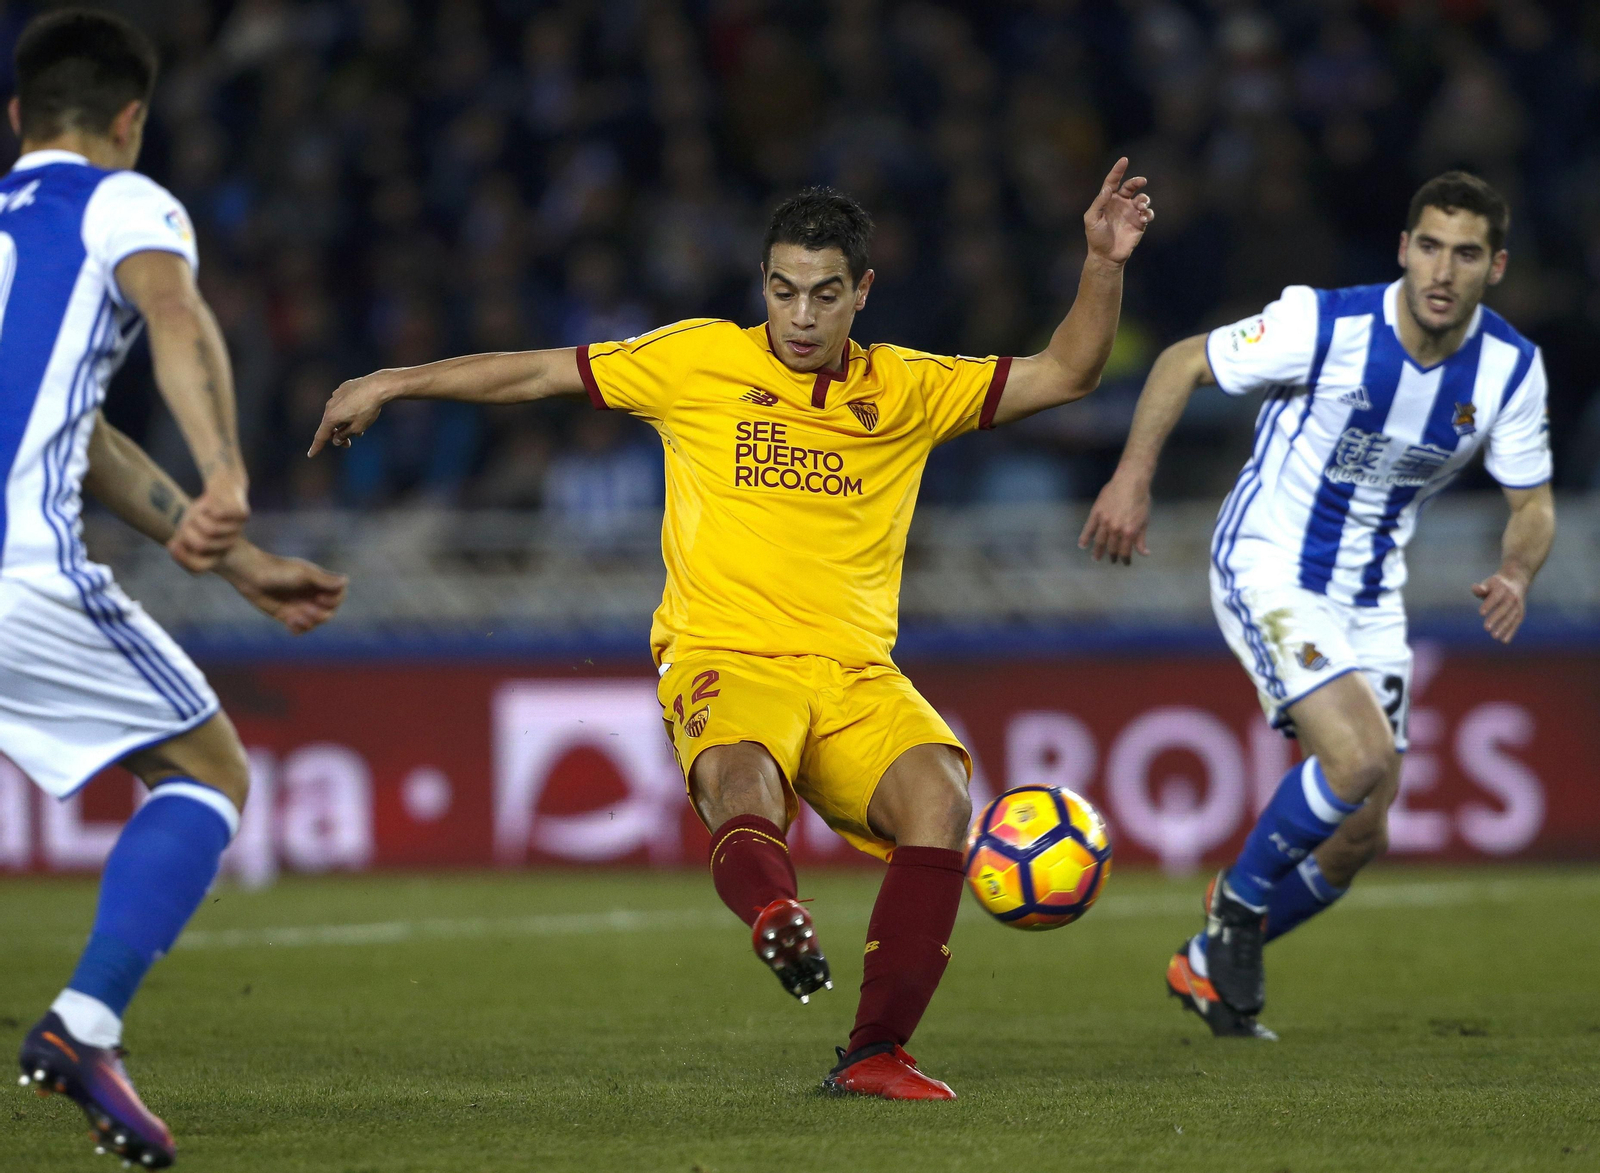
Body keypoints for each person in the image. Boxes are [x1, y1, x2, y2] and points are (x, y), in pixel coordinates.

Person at [311, 164, 1153, 1098]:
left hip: (855, 671)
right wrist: (395, 379)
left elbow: (1067, 372)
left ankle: (876, 1051)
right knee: (740, 776)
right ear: (763, 283)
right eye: (784, 290)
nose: (801, 315)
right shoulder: (697, 360)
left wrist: (1101, 263)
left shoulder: (909, 388)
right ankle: (775, 911)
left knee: (941, 796)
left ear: (861, 292)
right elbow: (540, 371)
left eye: (825, 295)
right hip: (725, 651)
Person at [1080, 170, 1555, 1040]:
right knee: (1358, 756)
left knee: (1360, 833)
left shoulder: (1511, 371)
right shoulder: (1323, 323)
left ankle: (1206, 960)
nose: (1446, 270)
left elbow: (1533, 504)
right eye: (1432, 246)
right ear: (1404, 249)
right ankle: (1236, 901)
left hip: (1372, 597)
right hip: (1268, 560)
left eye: (1468, 253)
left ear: (1496, 267)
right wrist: (1131, 479)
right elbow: (1184, 358)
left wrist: (1519, 572)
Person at [3, 12, 346, 1167]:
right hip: (18, 576)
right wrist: (228, 475)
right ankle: (85, 1026)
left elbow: (78, 432)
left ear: (16, 119)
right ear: (129, 119)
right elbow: (177, 315)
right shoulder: (125, 200)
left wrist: (235, 565)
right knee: (205, 771)